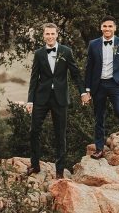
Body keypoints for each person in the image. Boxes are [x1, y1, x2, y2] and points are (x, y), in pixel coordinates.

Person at [26, 23, 82, 179]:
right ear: (43, 36)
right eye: (47, 34)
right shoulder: (39, 54)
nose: (50, 37)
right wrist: (30, 100)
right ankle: (35, 165)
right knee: (34, 131)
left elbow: (76, 74)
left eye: (52, 34)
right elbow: (33, 78)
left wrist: (83, 91)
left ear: (57, 35)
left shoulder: (66, 51)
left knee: (60, 134)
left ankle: (59, 171)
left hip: (60, 98)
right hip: (41, 97)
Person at [81, 16, 119, 159]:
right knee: (99, 117)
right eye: (104, 26)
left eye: (110, 26)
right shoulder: (93, 44)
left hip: (116, 85)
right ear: (101, 28)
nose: (107, 29)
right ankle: (99, 149)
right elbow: (89, 68)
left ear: (114, 28)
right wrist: (87, 90)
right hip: (98, 85)